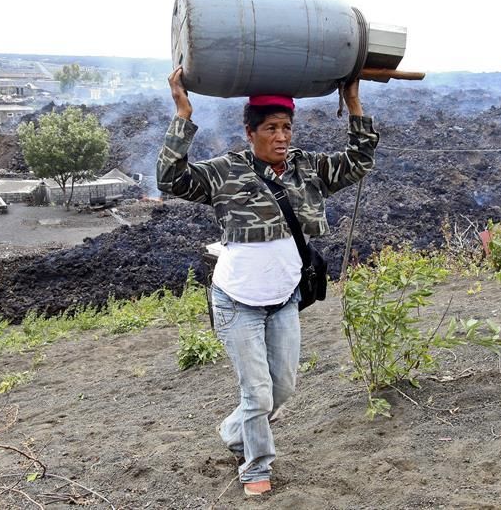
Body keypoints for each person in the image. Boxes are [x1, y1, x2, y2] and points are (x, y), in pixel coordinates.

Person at [157, 66, 378, 496]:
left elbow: (360, 161)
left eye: (287, 128)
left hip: (283, 300)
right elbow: (170, 179)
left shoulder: (307, 169)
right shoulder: (225, 172)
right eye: (272, 128)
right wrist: (183, 113)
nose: (282, 136)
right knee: (257, 393)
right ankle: (256, 466)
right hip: (236, 301)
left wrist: (353, 104)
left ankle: (233, 430)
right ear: (250, 131)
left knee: (283, 388)